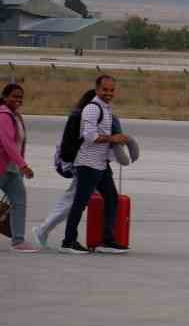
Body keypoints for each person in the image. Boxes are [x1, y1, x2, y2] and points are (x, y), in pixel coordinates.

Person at [60, 75, 130, 255]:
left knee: (112, 198)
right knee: (80, 203)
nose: (108, 93)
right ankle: (68, 242)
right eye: (105, 90)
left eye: (111, 90)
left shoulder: (106, 108)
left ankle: (106, 240)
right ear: (97, 89)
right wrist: (112, 138)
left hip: (101, 164)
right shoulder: (92, 108)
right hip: (87, 163)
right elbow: (90, 136)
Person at [31, 89, 98, 250]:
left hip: (83, 161)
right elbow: (71, 144)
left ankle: (46, 230)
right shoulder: (79, 117)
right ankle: (44, 230)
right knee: (72, 201)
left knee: (72, 199)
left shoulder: (84, 115)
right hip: (78, 162)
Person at [1, 83, 41, 252]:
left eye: (20, 97)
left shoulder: (15, 116)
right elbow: (8, 144)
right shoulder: (3, 115)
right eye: (14, 96)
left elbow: (18, 145)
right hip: (3, 166)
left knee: (19, 202)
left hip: (11, 169)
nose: (18, 99)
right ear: (4, 97)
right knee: (19, 202)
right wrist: (23, 165)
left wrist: (19, 166)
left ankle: (18, 241)